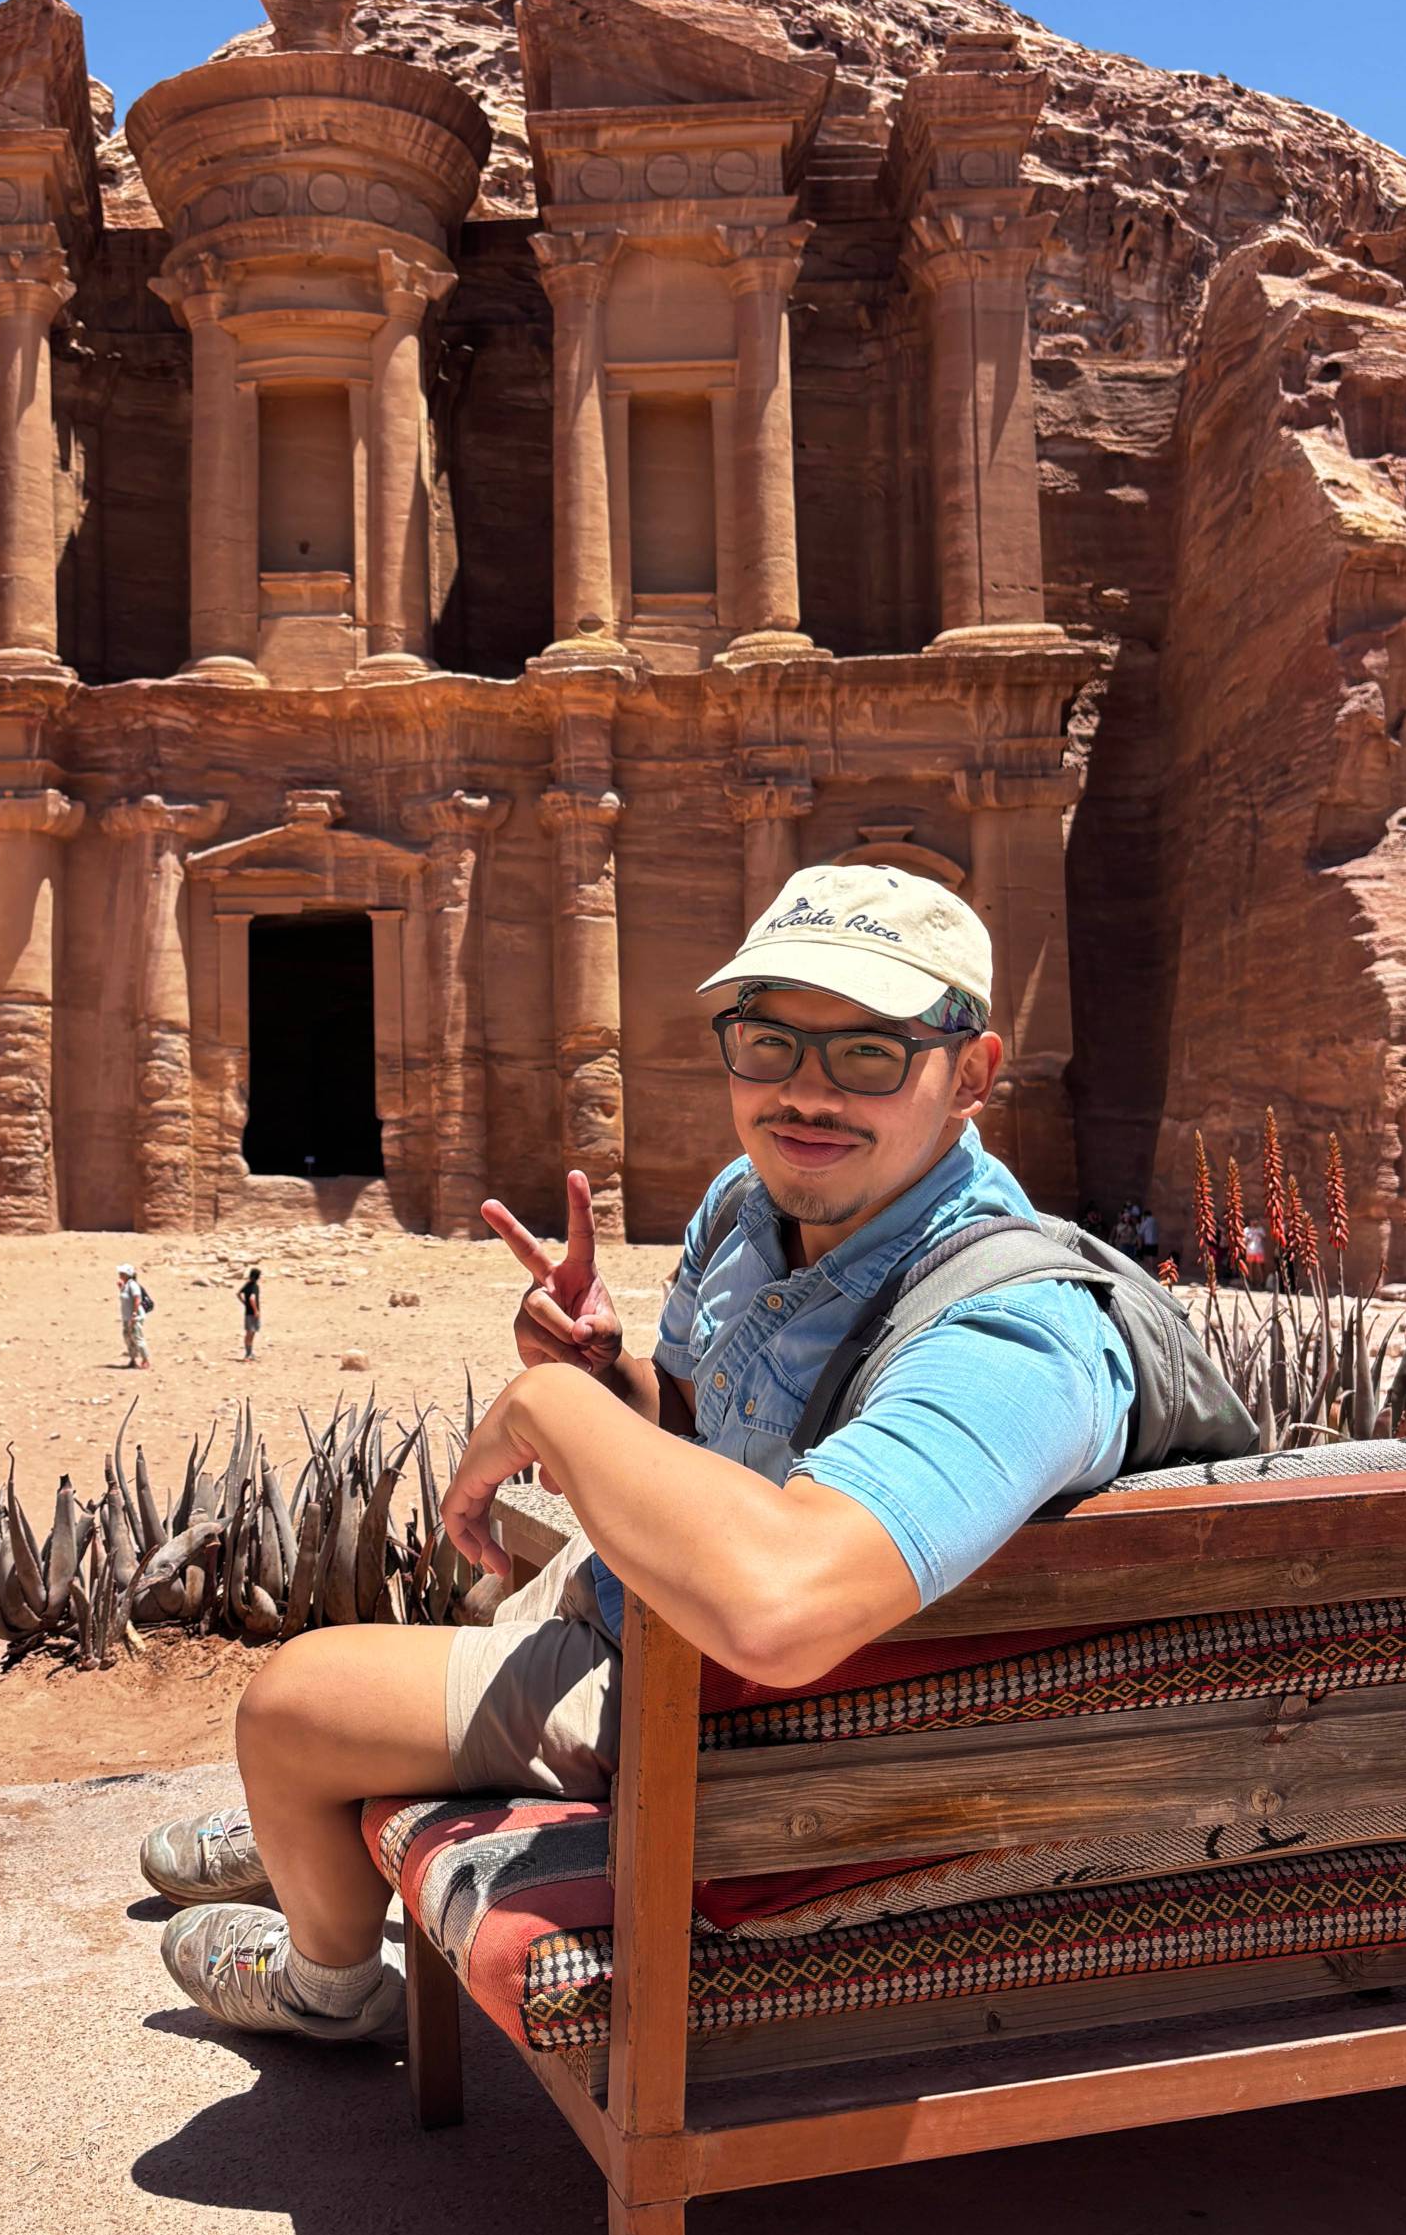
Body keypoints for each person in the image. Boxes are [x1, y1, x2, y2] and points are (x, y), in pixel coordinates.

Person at [144, 862, 1135, 2043]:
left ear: (970, 1072)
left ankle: (326, 1988)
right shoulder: (753, 1200)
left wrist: (544, 1413)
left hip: (735, 1722)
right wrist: (599, 1371)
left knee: (288, 1705)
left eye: (869, 1053)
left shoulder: (1009, 1332)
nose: (806, 1095)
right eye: (769, 1043)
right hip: (654, 1627)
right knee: (475, 1600)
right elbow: (695, 1419)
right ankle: (319, 1821)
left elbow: (779, 1609)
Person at [117, 1262, 153, 1368]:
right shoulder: (126, 1285)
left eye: (121, 1273)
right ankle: (133, 1359)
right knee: (128, 1337)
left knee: (137, 1337)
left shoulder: (133, 1285)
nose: (119, 1274)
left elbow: (137, 1299)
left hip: (134, 1317)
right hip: (127, 1317)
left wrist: (134, 1314)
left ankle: (145, 1360)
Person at [239, 1265, 262, 1361]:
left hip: (247, 1312)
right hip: (253, 1313)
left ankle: (249, 1353)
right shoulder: (254, 1286)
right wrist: (256, 1310)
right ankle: (248, 1354)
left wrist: (244, 1302)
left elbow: (238, 1293)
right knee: (251, 1333)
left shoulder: (247, 1284)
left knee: (249, 1332)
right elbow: (252, 1298)